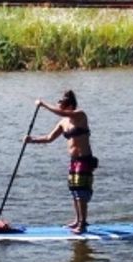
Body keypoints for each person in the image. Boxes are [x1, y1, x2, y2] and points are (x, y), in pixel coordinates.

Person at [26, 90, 96, 234]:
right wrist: (31, 140)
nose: (59, 105)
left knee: (81, 193)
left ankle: (83, 224)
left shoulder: (80, 115)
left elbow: (62, 113)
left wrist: (43, 104)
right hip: (74, 160)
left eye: (61, 103)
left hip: (85, 159)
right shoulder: (63, 122)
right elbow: (49, 138)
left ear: (69, 104)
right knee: (74, 191)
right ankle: (77, 220)